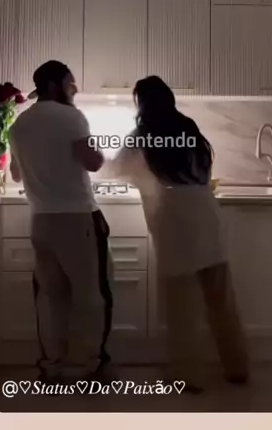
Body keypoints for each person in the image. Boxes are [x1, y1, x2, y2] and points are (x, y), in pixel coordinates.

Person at [103, 75, 250, 392]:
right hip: (206, 211)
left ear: (142, 104)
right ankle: (238, 366)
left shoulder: (143, 135)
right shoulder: (188, 128)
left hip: (175, 219)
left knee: (181, 305)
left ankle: (189, 375)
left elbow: (115, 169)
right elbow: (203, 169)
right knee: (221, 297)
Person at [8, 60, 113, 383]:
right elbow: (93, 162)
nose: (74, 89)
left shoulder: (19, 124)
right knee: (89, 294)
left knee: (51, 296)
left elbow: (16, 175)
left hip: (41, 220)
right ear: (55, 86)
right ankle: (86, 365)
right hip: (77, 218)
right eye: (70, 84)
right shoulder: (71, 117)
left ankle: (52, 364)